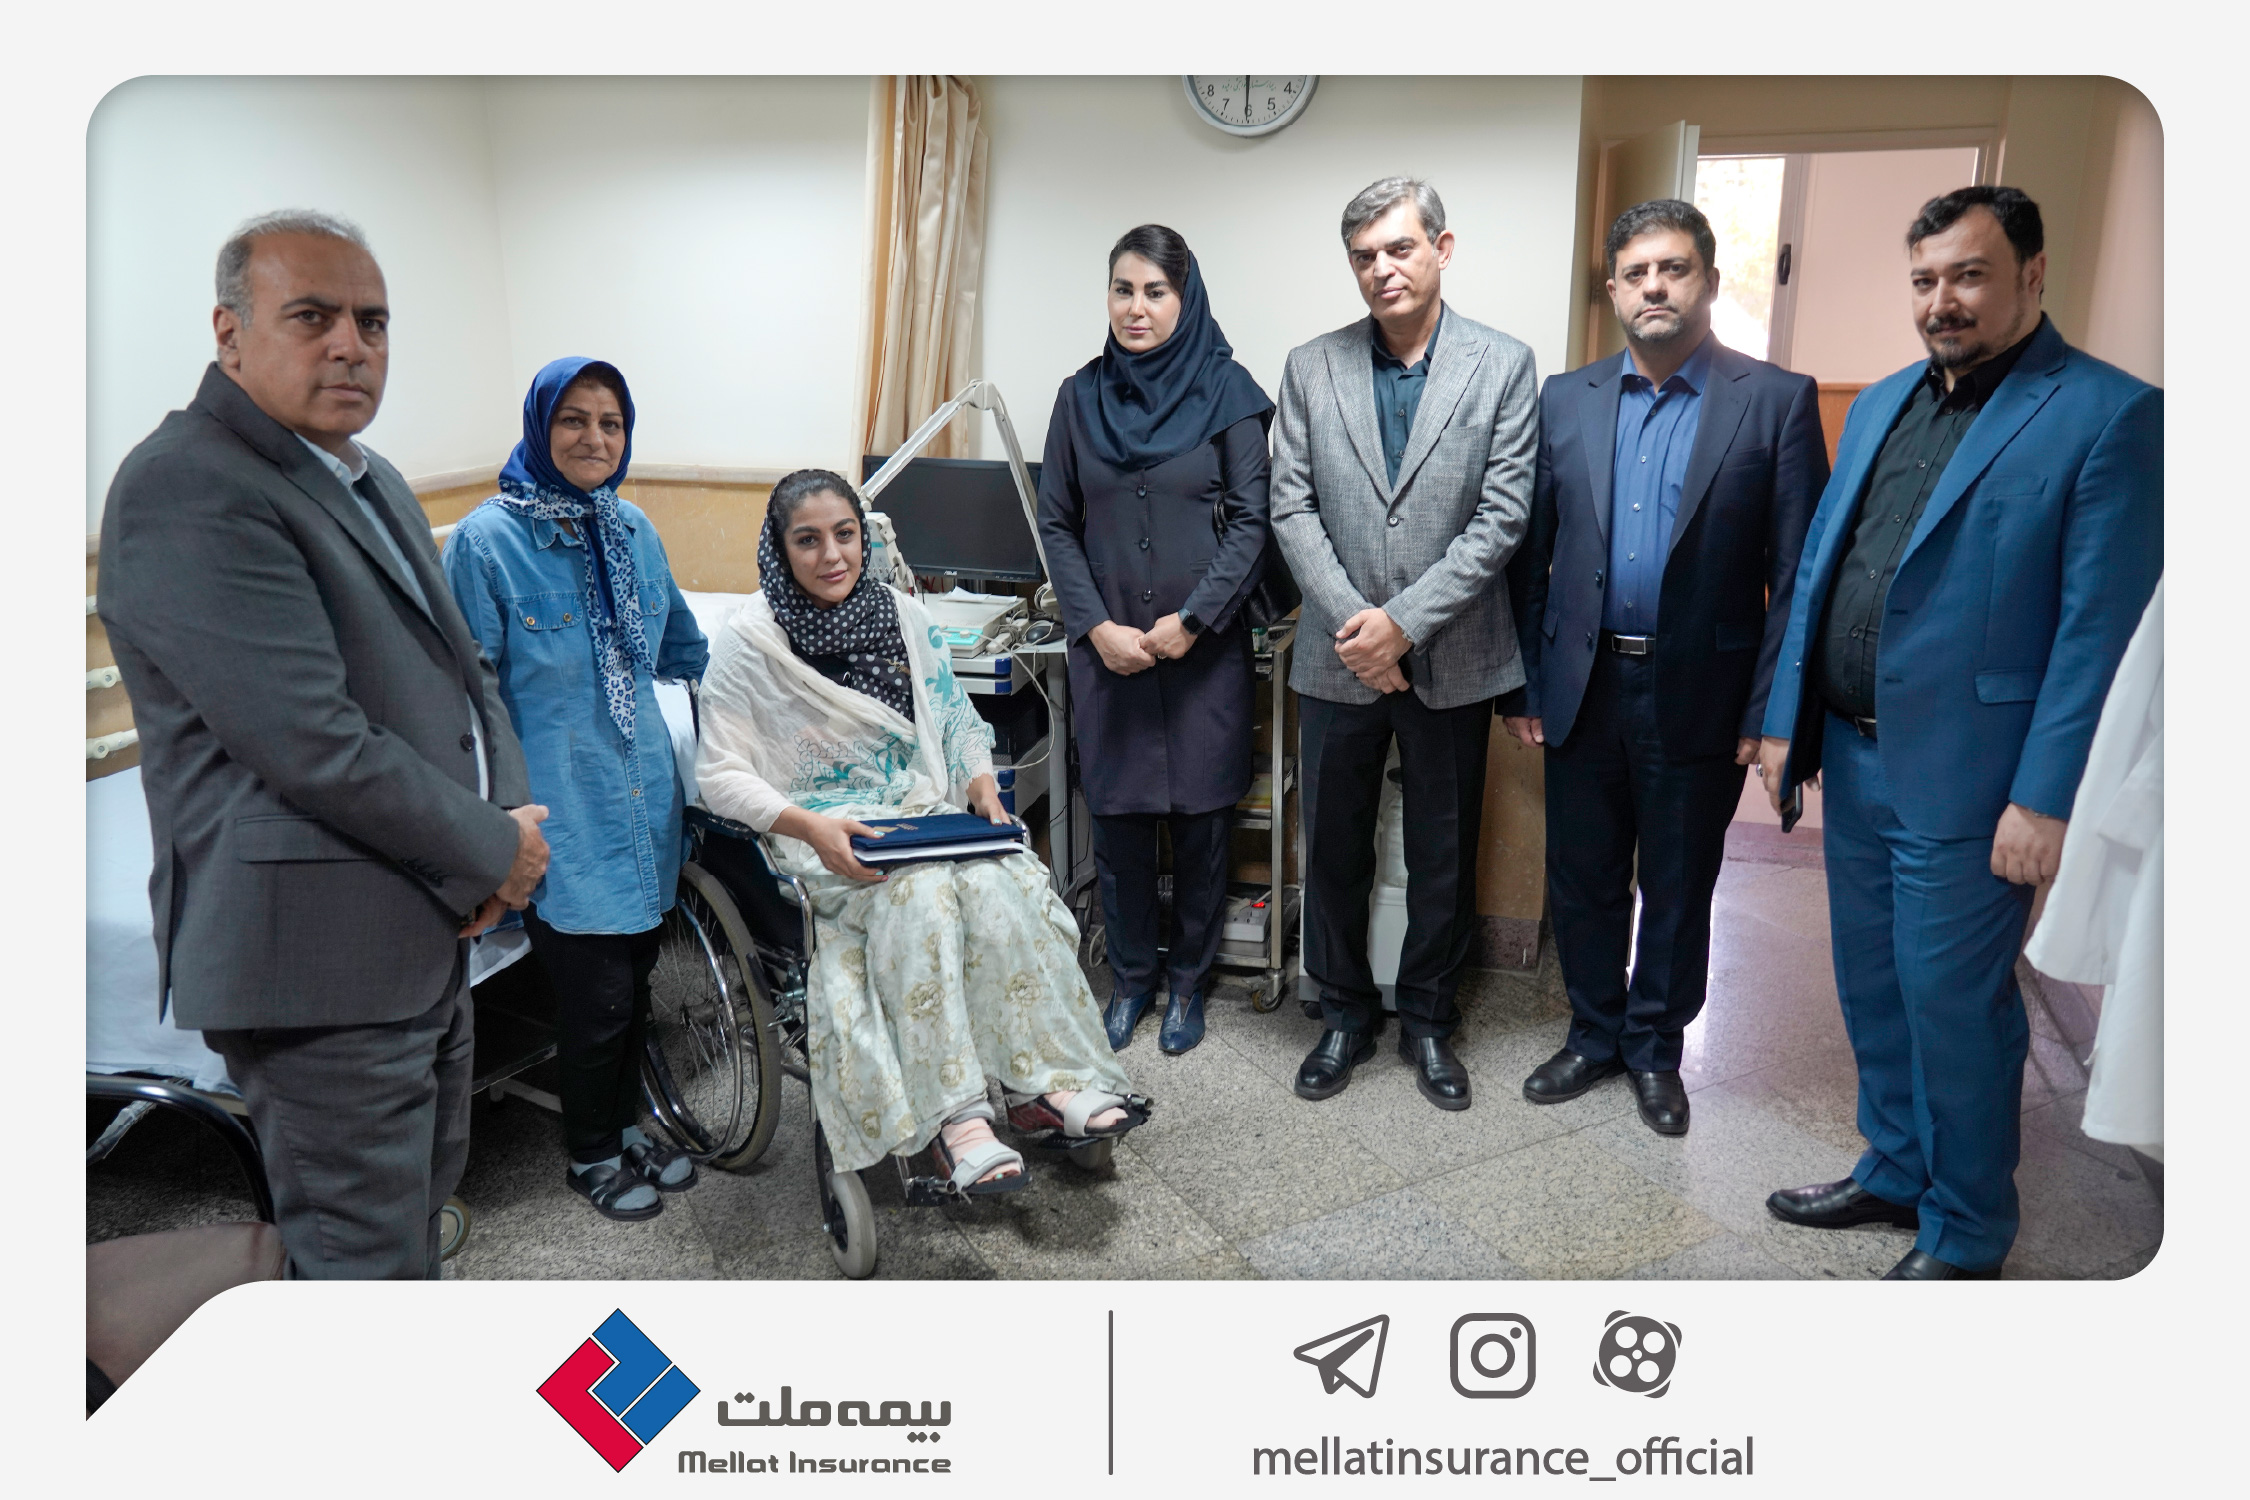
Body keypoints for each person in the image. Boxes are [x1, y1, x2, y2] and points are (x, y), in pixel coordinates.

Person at [97, 211, 548, 1279]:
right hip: (313, 961)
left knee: (413, 1218)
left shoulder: (363, 474)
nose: (351, 345)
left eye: (372, 322)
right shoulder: (188, 485)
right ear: (230, 332)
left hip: (422, 923)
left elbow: (466, 673)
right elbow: (313, 741)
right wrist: (494, 848)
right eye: (312, 316)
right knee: (359, 1259)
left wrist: (503, 826)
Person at [1756, 186, 2162, 1279]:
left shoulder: (2110, 413)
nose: (1944, 300)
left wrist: (2047, 797)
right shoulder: (1884, 400)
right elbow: (1823, 568)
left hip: (1978, 783)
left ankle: (1969, 1229)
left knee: (1956, 1009)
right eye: (1927, 279)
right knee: (1872, 986)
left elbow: (2099, 632)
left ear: (2033, 274)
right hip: (1855, 757)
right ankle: (1895, 1166)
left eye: (1970, 275)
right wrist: (1784, 720)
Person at [695, 470, 1148, 1193]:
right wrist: (812, 827)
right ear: (779, 551)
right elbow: (719, 773)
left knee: (1003, 885)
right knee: (923, 897)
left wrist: (980, 784)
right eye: (807, 540)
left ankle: (1042, 1088)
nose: (832, 555)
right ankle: (956, 1118)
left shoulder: (902, 615)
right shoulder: (752, 645)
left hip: (918, 815)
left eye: (844, 534)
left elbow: (956, 715)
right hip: (822, 834)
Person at [1503, 200, 1825, 1137]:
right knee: (1584, 875)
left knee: (1679, 884)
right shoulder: (1565, 398)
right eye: (1636, 272)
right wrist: (1529, 684)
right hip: (1584, 685)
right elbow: (1531, 555)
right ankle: (1593, 1034)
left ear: (1709, 282)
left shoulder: (1774, 400)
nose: (1655, 286)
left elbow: (1796, 576)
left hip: (1703, 692)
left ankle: (1655, 1048)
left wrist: (1768, 713)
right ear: (1612, 289)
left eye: (1674, 268)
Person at [1269, 177, 1539, 1111]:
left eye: (1399, 248)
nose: (1381, 268)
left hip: (1454, 657)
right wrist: (1361, 628)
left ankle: (1428, 1019)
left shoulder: (1502, 364)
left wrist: (1405, 624)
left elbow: (1502, 518)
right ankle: (1342, 1013)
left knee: (1442, 854)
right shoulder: (1311, 365)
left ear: (1441, 248)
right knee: (1334, 850)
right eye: (1363, 256)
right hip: (1337, 659)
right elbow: (1290, 507)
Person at [442, 358, 711, 1221]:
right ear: (539, 426)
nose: (596, 439)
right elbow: (468, 698)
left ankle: (628, 1128)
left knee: (636, 986)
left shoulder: (633, 529)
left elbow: (683, 647)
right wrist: (492, 826)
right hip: (561, 812)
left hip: (644, 800)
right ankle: (591, 1152)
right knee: (596, 1001)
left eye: (611, 423)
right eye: (574, 420)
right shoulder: (486, 542)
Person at [1035, 224, 1274, 1057]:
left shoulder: (1229, 393)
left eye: (1155, 292)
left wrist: (1192, 621)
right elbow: (1056, 522)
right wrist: (1095, 626)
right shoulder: (1079, 398)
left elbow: (1252, 525)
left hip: (1203, 654)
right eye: (1123, 290)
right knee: (1121, 826)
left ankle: (1189, 985)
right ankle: (1132, 980)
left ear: (1185, 297)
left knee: (1204, 829)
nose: (1137, 308)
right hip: (1109, 656)